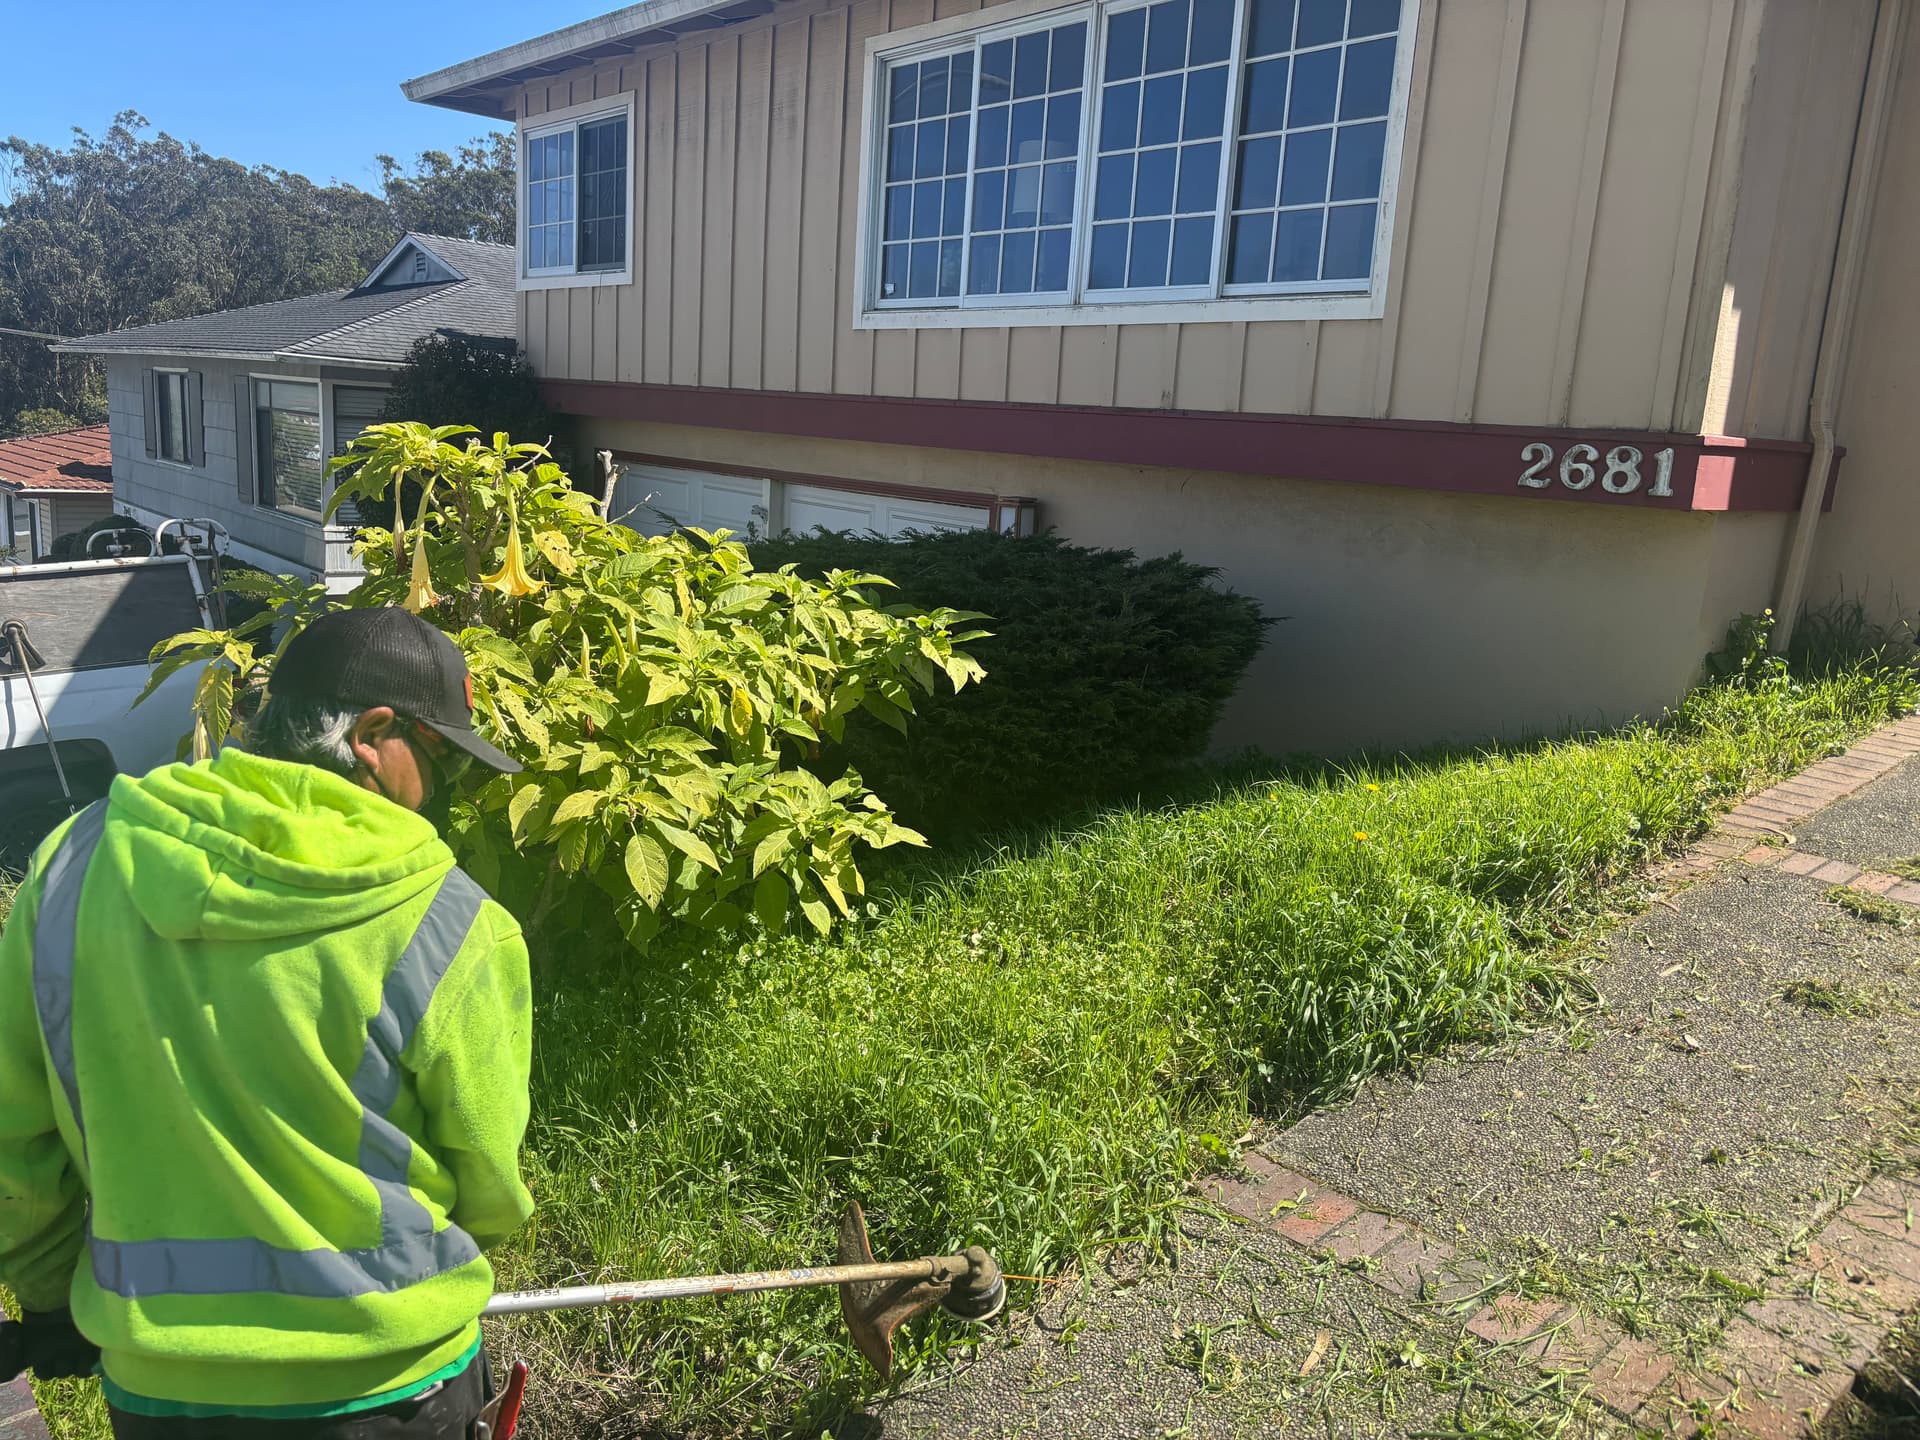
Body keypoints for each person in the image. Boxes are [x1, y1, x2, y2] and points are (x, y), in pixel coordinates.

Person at [0, 607, 535, 1438]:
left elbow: (17, 1137)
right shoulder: (451, 921)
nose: (440, 794)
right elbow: (489, 1186)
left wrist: (46, 1296)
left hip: (159, 1389)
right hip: (393, 1381)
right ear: (373, 735)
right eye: (444, 760)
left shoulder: (70, 869)